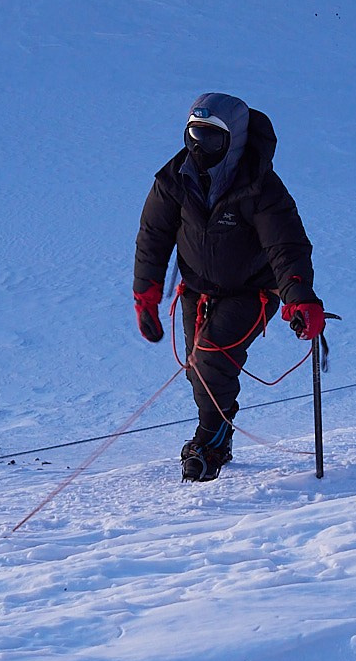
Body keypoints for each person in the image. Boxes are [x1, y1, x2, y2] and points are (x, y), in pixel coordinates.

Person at [134, 93, 325, 481]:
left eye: (211, 139)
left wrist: (299, 298)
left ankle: (212, 439)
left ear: (234, 140)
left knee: (211, 359)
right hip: (196, 291)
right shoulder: (173, 180)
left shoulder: (261, 187)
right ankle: (218, 435)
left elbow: (285, 246)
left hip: (253, 292)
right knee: (197, 370)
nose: (199, 147)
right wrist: (146, 297)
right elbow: (153, 238)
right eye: (194, 136)